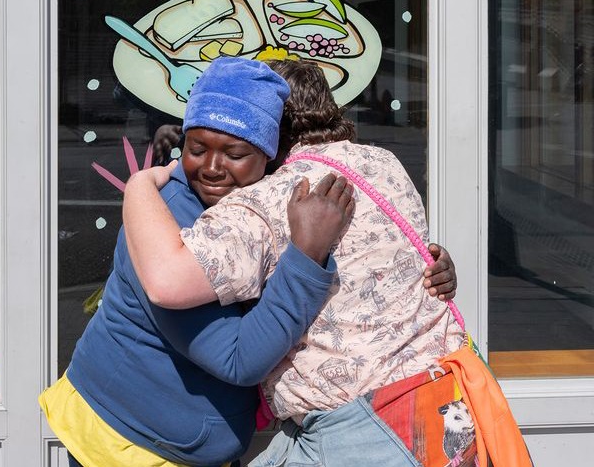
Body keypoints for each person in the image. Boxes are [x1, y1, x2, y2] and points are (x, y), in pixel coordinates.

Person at [122, 59, 469, 466]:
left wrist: (139, 186)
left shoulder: (273, 199)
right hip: (447, 403)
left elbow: (167, 280)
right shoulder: (383, 163)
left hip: (363, 432)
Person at [40, 57, 356, 467]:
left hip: (174, 438)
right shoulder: (168, 220)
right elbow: (237, 357)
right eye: (197, 148)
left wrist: (431, 271)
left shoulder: (256, 210)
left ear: (271, 156)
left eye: (235, 152)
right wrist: (306, 257)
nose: (210, 168)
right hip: (128, 441)